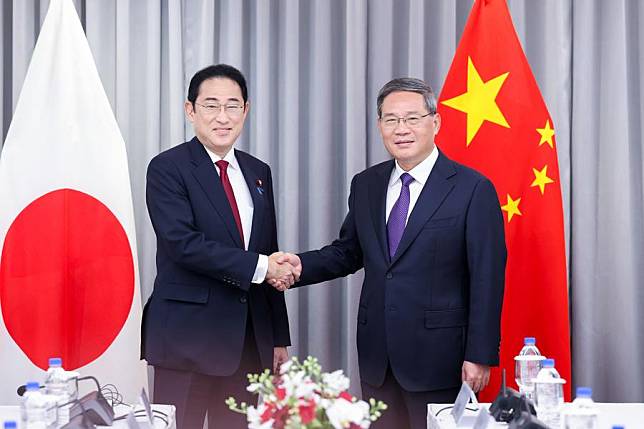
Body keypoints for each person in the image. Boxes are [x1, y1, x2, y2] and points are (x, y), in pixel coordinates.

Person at [273, 78, 506, 429]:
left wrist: (480, 354)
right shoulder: (366, 184)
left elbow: (487, 277)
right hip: (377, 356)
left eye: (412, 118)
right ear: (380, 125)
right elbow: (349, 251)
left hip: (440, 357)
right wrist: (300, 265)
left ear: (435, 122)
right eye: (391, 119)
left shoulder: (472, 188)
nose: (402, 129)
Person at [141, 64, 299, 429]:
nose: (222, 117)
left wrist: (278, 337)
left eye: (232, 105)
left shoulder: (258, 171)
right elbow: (183, 244)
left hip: (247, 341)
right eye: (211, 105)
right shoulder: (168, 168)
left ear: (246, 110)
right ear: (190, 110)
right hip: (187, 341)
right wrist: (263, 267)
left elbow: (267, 248)